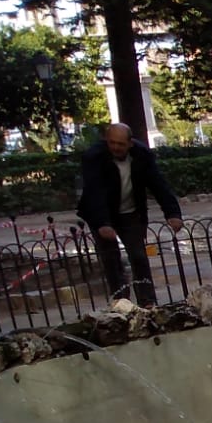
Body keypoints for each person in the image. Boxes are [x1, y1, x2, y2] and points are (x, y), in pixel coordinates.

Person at [76, 122, 183, 306]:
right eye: (112, 143)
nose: (116, 147)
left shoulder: (142, 156)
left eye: (120, 144)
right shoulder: (94, 157)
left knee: (138, 256)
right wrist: (103, 223)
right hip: (102, 214)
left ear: (130, 143)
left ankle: (148, 301)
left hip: (131, 213)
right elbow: (95, 192)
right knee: (111, 260)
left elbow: (158, 185)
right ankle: (121, 302)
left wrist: (172, 213)